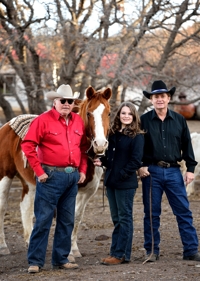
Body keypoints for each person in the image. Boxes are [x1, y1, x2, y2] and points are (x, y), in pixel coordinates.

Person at [21, 84, 88, 273]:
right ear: (55, 102)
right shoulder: (43, 120)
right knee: (43, 220)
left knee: (67, 220)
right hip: (50, 176)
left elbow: (83, 148)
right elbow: (28, 145)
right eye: (63, 101)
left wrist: (82, 169)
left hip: (72, 176)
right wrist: (38, 171)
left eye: (70, 101)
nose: (67, 104)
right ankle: (35, 261)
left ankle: (61, 259)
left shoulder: (78, 121)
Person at [138, 80, 200, 262]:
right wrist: (140, 166)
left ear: (168, 98)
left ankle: (190, 250)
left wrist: (190, 169)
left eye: (162, 96)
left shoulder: (179, 119)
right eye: (156, 96)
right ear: (151, 100)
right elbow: (138, 146)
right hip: (152, 171)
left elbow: (187, 145)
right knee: (151, 213)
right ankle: (151, 251)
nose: (159, 100)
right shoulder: (144, 120)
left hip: (174, 171)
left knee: (183, 211)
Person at [94, 101, 144, 265]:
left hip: (125, 184)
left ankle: (122, 254)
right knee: (116, 219)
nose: (126, 116)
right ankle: (115, 252)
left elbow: (135, 161)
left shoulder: (137, 136)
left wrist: (121, 174)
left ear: (134, 116)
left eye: (129, 113)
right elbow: (110, 159)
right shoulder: (113, 135)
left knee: (124, 218)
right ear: (119, 115)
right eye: (123, 113)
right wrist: (101, 161)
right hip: (111, 183)